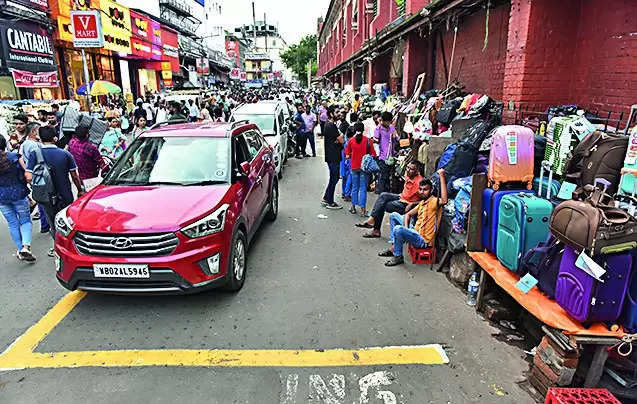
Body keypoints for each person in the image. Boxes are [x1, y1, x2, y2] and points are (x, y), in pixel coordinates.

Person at [25, 126, 85, 256]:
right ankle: (71, 249)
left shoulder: (35, 154)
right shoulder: (65, 154)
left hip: (46, 196)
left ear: (40, 139)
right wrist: (80, 190)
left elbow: (29, 177)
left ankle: (57, 247)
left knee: (53, 223)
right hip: (65, 195)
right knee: (67, 222)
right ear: (55, 138)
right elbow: (75, 176)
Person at [379, 171, 447, 266]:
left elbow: (444, 200)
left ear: (431, 190)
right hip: (414, 231)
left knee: (398, 229)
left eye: (425, 189)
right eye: (420, 189)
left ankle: (398, 256)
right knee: (394, 215)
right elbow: (408, 215)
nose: (422, 192)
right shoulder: (422, 203)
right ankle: (394, 246)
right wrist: (407, 229)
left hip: (423, 240)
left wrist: (442, 176)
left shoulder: (434, 201)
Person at [357, 161, 423, 238]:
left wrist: (412, 203)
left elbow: (426, 200)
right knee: (383, 195)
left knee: (383, 205)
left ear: (417, 171)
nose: (408, 170)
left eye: (411, 169)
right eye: (407, 167)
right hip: (401, 197)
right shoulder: (408, 175)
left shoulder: (420, 182)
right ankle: (372, 220)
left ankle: (376, 229)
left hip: (407, 204)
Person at [0, 136, 35, 262]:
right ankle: (26, 247)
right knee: (25, 220)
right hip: (19, 193)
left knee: (12, 223)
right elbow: (26, 173)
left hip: (2, 197)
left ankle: (20, 249)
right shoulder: (14, 157)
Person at [345, 122, 376, 216]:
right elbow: (373, 154)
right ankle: (363, 210)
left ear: (354, 130)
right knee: (363, 188)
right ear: (363, 130)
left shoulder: (351, 141)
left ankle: (353, 207)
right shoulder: (368, 141)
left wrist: (352, 155)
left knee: (355, 187)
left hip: (354, 167)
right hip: (364, 169)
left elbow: (347, 155)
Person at [68, 124, 106, 191]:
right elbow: (101, 163)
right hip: (91, 178)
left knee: (82, 193)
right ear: (87, 135)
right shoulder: (91, 147)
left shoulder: (71, 143)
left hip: (79, 176)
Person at [321, 105, 344, 209]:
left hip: (333, 155)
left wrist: (339, 139)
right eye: (337, 112)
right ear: (331, 114)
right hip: (333, 156)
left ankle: (326, 198)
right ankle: (330, 201)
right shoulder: (331, 126)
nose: (339, 113)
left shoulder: (330, 125)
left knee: (334, 178)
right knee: (334, 178)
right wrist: (340, 138)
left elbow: (339, 139)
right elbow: (341, 140)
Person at [373, 111, 399, 194]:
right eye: (386, 121)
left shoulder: (391, 127)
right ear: (382, 120)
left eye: (389, 121)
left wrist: (395, 136)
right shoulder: (378, 129)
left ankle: (387, 194)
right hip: (382, 157)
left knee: (389, 176)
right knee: (383, 177)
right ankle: (382, 194)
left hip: (392, 156)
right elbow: (375, 140)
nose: (388, 123)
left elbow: (397, 139)